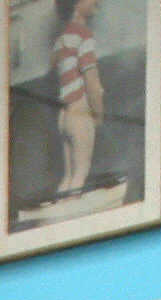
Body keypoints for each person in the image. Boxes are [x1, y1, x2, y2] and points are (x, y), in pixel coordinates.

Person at [51, 0, 104, 198]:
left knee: (68, 176)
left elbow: (56, 65)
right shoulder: (84, 35)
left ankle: (59, 217)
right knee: (81, 172)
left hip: (63, 115)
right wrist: (98, 113)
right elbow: (92, 81)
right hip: (79, 110)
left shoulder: (61, 40)